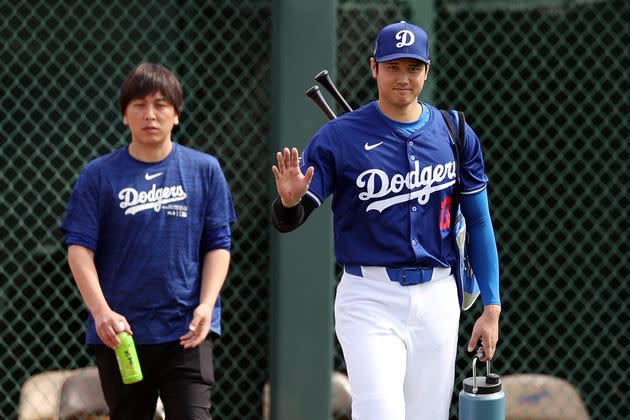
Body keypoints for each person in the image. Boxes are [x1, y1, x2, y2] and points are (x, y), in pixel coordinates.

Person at [271, 21, 500, 420]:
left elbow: (479, 222)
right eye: (393, 67)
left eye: (413, 67)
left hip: (438, 296)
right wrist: (289, 202)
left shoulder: (455, 131)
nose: (403, 77)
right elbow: (289, 219)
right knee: (379, 412)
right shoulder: (339, 136)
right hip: (369, 297)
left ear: (426, 71)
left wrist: (492, 307)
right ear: (374, 67)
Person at [61, 63, 236, 420]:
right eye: (139, 105)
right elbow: (79, 249)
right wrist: (101, 313)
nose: (150, 114)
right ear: (125, 114)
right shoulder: (98, 175)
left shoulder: (205, 170)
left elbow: (218, 244)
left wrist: (206, 305)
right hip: (121, 334)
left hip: (187, 332)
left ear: (176, 114)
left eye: (161, 104)